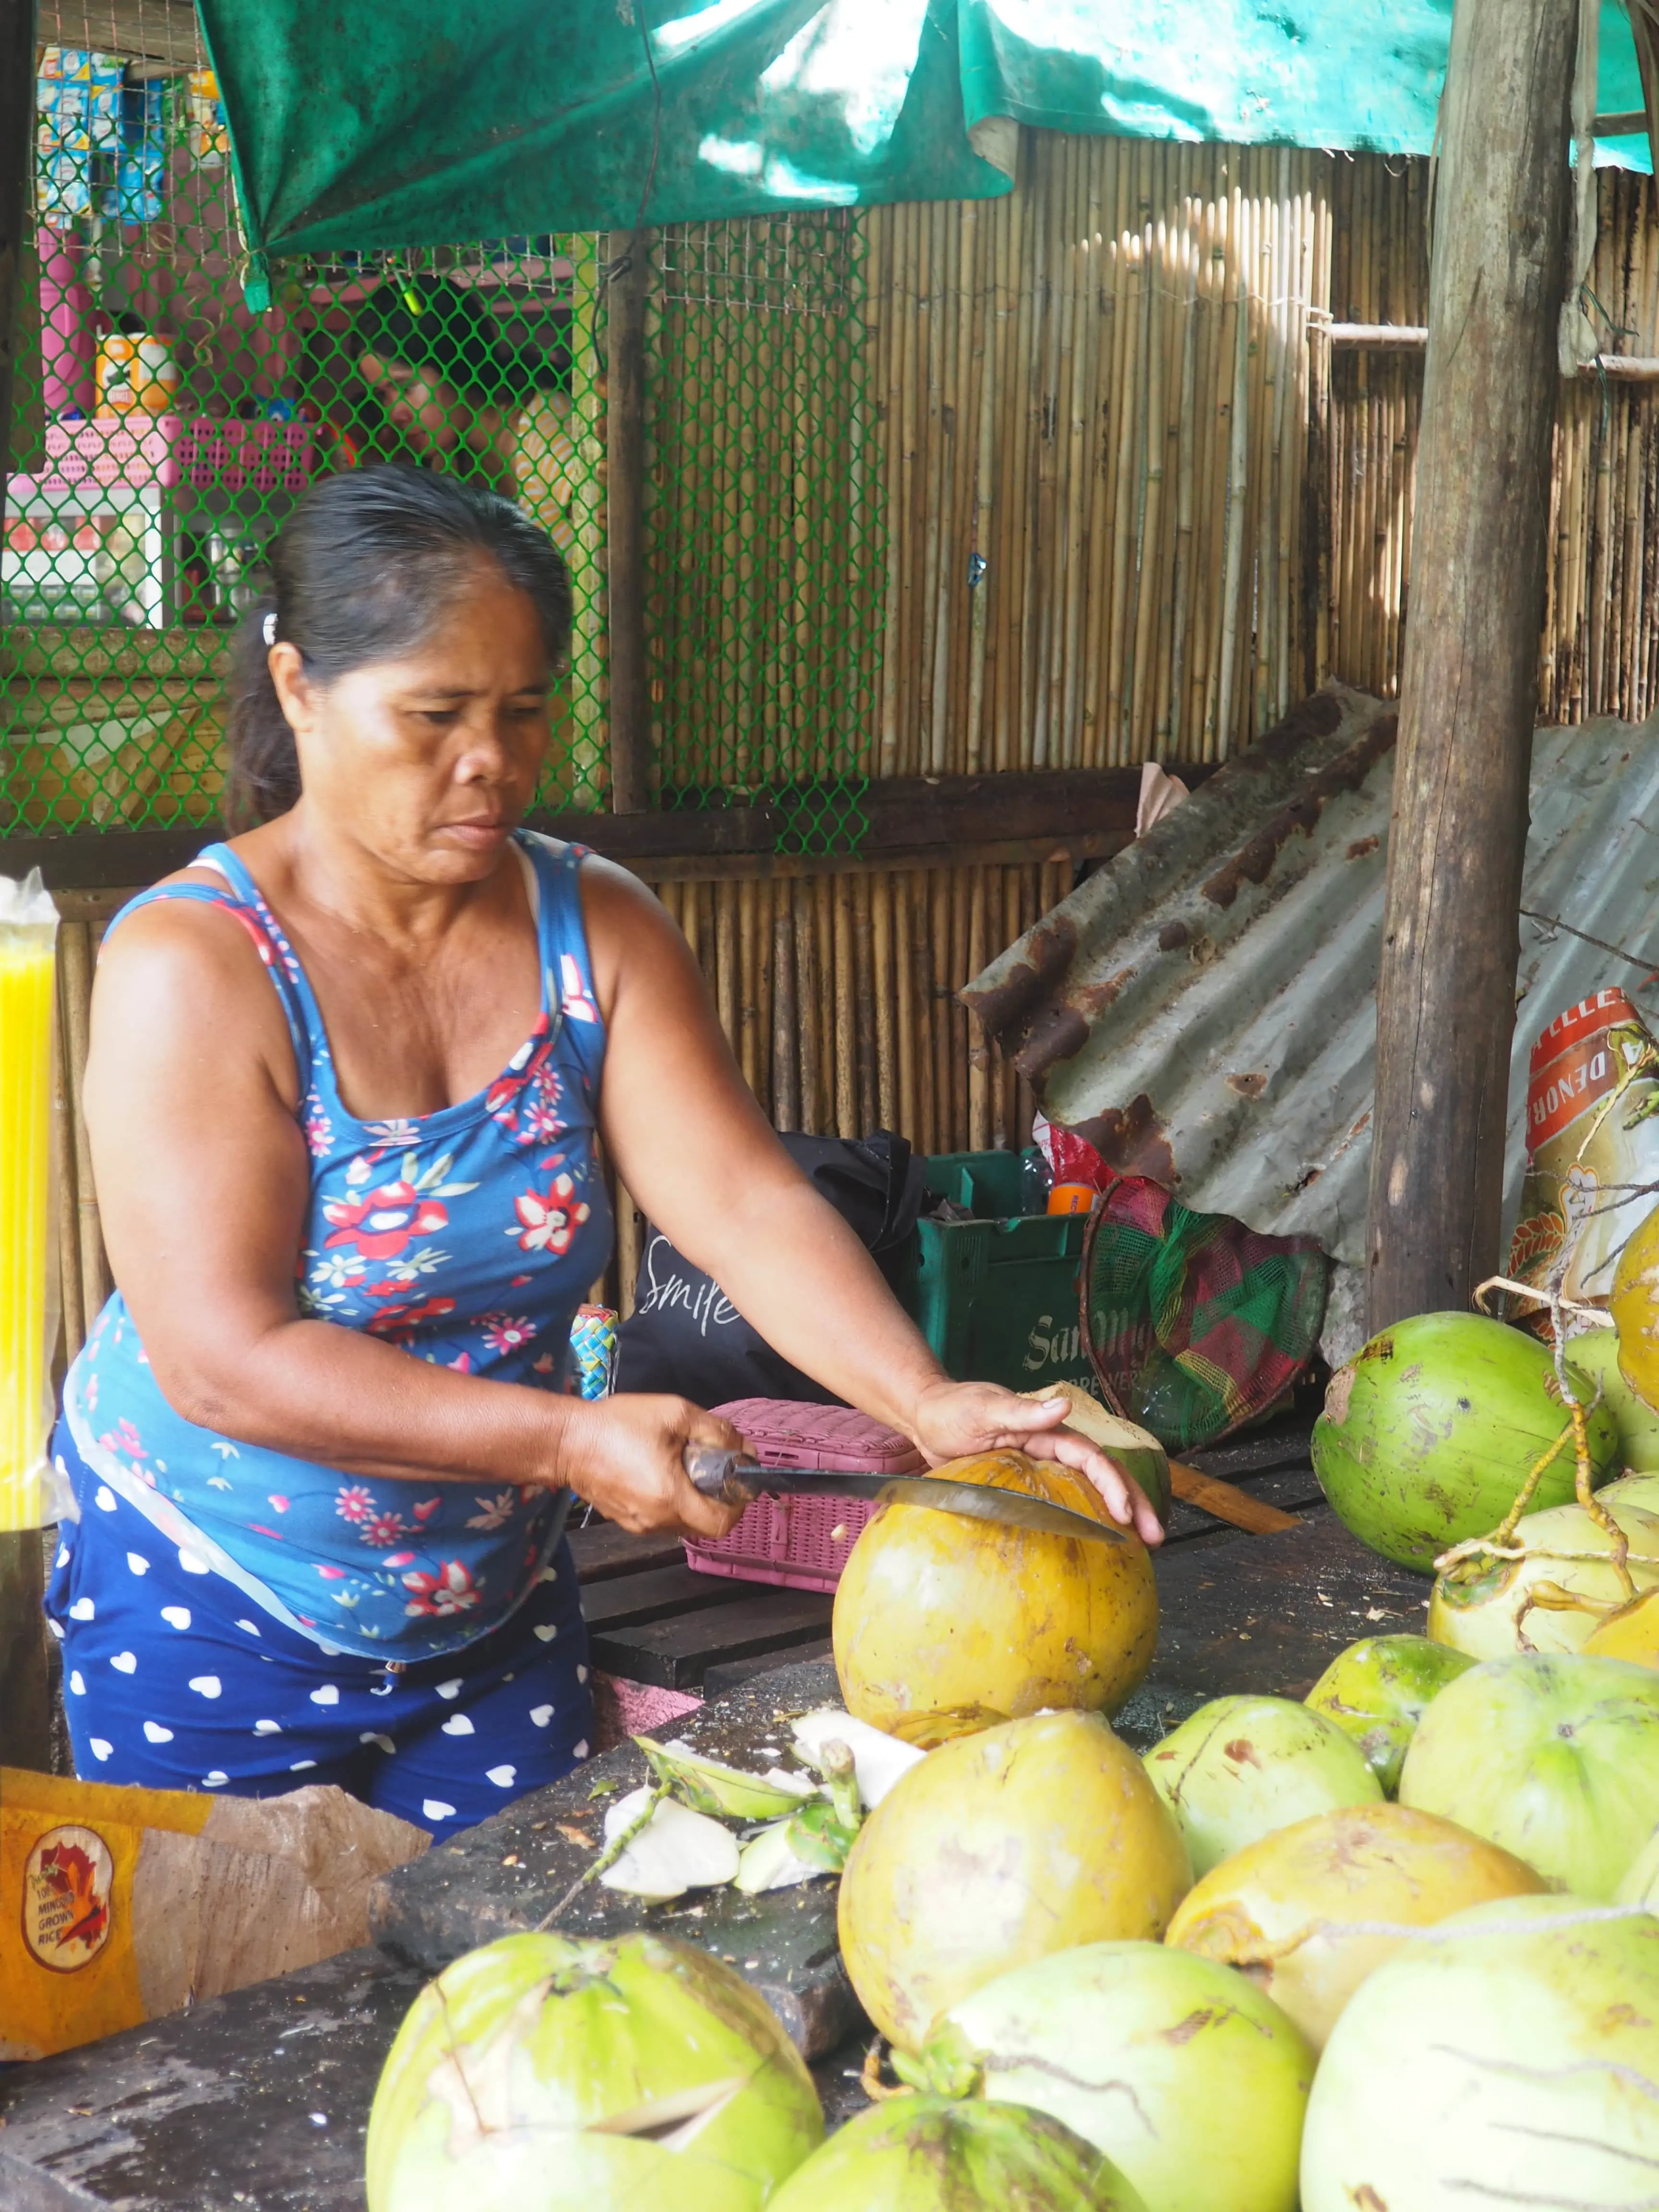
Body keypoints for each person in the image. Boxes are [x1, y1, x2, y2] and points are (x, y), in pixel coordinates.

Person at [45, 464, 1160, 1836]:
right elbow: (224, 1359)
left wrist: (925, 1402)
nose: (491, 763)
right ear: (297, 688)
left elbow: (744, 1205)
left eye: (523, 711)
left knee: (518, 1980)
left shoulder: (597, 931)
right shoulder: (198, 965)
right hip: (217, 1594)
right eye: (434, 715)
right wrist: (569, 1441)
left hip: (492, 1599)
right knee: (243, 2019)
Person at [349, 275, 577, 554]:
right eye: (383, 396)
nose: (394, 413)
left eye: (406, 386)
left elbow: (602, 505)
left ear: (455, 363)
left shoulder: (546, 429)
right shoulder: (450, 463)